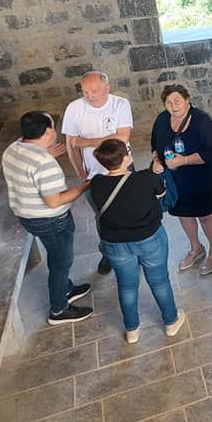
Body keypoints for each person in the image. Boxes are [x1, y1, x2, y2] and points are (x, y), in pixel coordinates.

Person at [2, 111, 94, 324]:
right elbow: (55, 200)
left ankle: (66, 289)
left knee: (56, 255)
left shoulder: (14, 148)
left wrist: (44, 153)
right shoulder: (43, 162)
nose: (55, 130)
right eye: (53, 126)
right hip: (51, 220)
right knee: (61, 261)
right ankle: (59, 310)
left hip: (28, 216)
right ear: (47, 132)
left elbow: (28, 167)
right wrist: (86, 185)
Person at [89, 139, 185, 343]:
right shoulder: (144, 178)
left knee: (126, 285)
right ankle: (170, 322)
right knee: (159, 281)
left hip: (115, 244)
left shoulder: (96, 183)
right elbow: (161, 195)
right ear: (126, 158)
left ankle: (132, 330)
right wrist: (157, 172)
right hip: (148, 238)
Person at [61, 70, 133, 275]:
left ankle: (131, 248)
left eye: (94, 91)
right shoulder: (74, 108)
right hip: (93, 173)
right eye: (85, 91)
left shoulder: (120, 104)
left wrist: (86, 142)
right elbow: (71, 145)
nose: (89, 96)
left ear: (106, 88)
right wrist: (81, 173)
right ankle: (109, 253)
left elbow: (122, 139)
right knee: (103, 215)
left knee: (127, 210)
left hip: (123, 168)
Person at [150, 84, 212, 275]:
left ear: (187, 100)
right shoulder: (162, 119)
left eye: (177, 100)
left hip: (200, 177)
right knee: (183, 215)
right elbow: (154, 144)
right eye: (168, 102)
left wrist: (183, 160)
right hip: (174, 178)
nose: (173, 105)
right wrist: (157, 161)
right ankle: (196, 248)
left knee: (205, 214)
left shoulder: (201, 121)